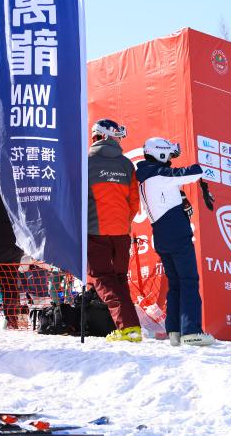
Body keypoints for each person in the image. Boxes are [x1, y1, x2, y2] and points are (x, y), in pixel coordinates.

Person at [136, 137, 215, 347]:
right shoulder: (159, 174)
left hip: (161, 234)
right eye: (169, 154)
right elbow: (193, 172)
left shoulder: (147, 176)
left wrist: (181, 198)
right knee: (188, 281)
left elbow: (173, 185)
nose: (171, 158)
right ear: (160, 153)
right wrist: (204, 164)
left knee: (176, 283)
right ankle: (191, 331)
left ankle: (175, 331)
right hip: (176, 232)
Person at [87, 119, 142, 342]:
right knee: (118, 279)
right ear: (108, 136)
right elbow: (134, 203)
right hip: (121, 233)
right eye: (118, 136)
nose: (119, 141)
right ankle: (126, 327)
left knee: (102, 278)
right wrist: (123, 223)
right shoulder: (126, 165)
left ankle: (128, 327)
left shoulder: (86, 162)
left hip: (94, 232)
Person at [0, 178, 25, 329]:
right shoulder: (14, 185)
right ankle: (12, 320)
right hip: (12, 244)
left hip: (2, 243)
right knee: (10, 284)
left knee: (9, 284)